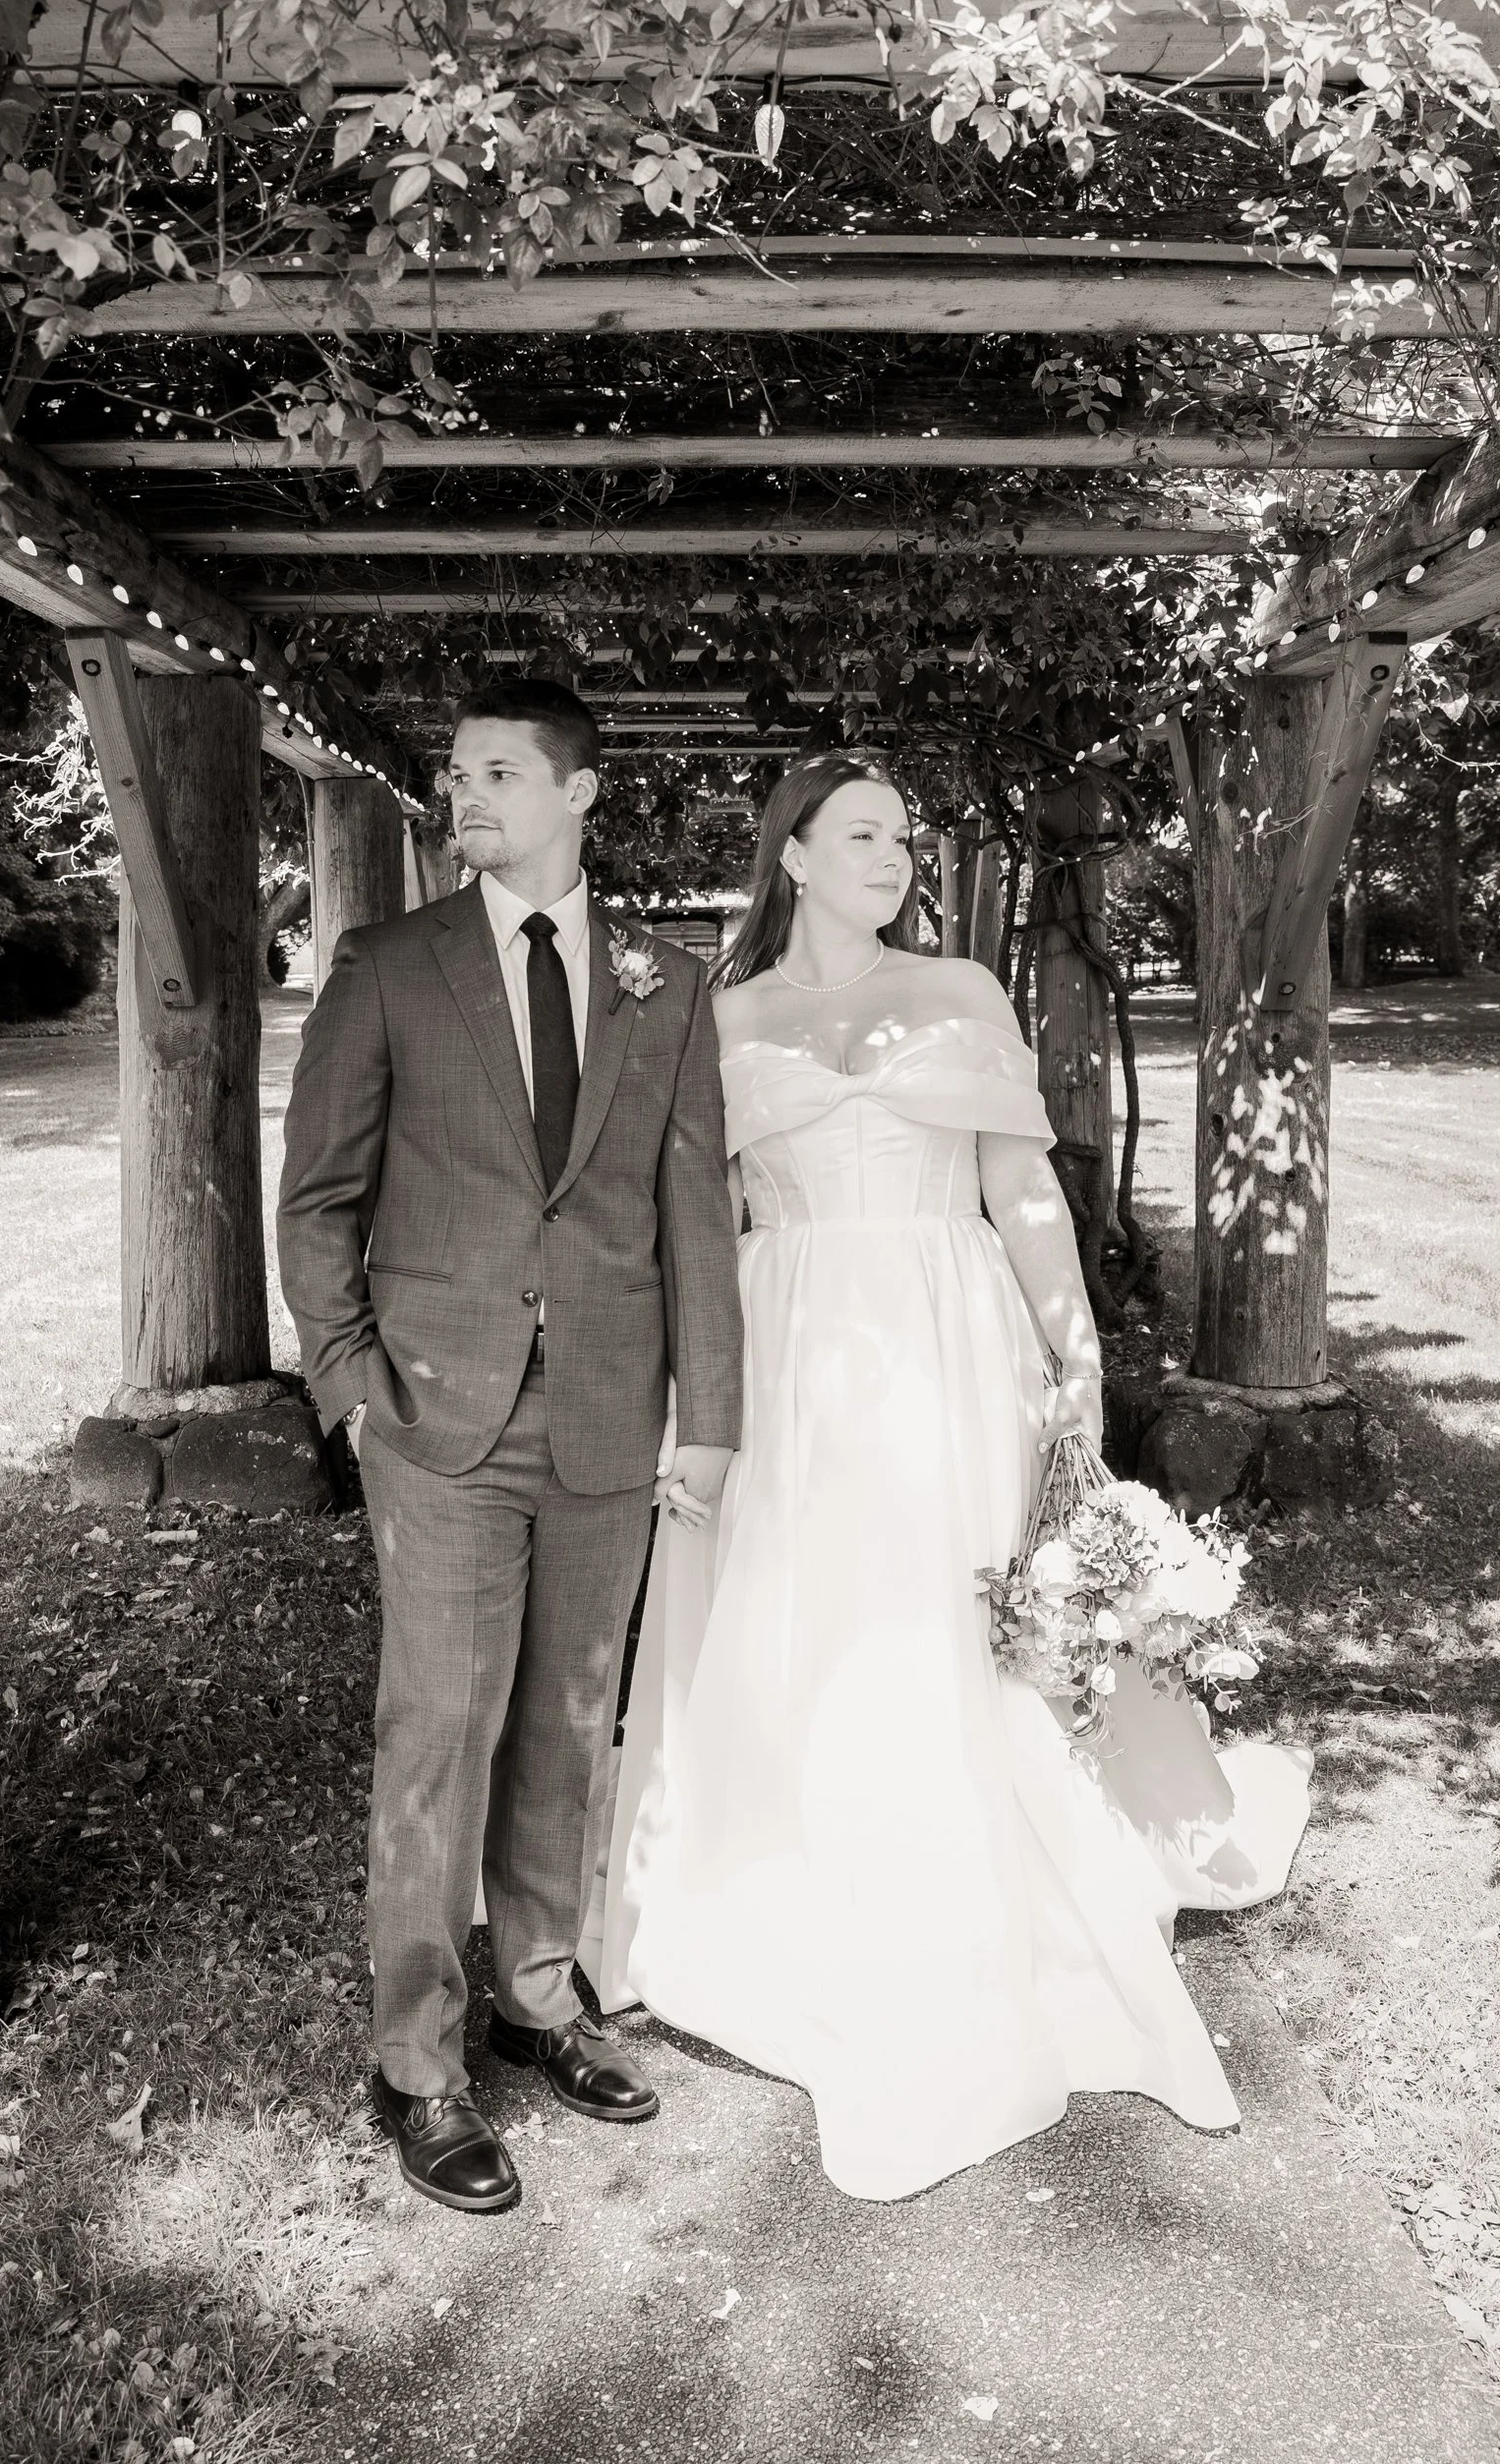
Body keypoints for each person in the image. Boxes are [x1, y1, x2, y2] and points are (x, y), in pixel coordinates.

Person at [585, 751, 1311, 2203]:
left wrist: (1076, 1356)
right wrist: (689, 1398)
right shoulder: (719, 1023)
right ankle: (799, 1868)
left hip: (951, 1331)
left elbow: (1019, 1190)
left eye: (903, 836)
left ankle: (1004, 1873)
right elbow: (702, 1225)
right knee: (811, 1604)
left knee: (954, 1594)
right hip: (794, 1348)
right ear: (790, 856)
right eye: (861, 835)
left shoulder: (967, 995)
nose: (894, 856)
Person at [277, 679, 742, 2214]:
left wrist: (712, 1420)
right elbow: (319, 1199)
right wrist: (350, 1393)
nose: (462, 795)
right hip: (438, 1412)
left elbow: (694, 1225)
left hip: (611, 1410)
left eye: (493, 773)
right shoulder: (390, 966)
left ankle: (540, 1998)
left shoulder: (666, 982)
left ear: (578, 791)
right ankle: (415, 2063)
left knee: (569, 1720)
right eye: (454, 775)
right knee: (441, 1730)